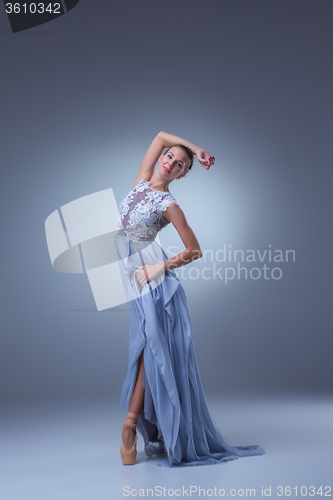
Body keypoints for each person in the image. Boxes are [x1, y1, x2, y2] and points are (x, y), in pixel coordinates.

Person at [115, 131, 265, 467]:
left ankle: (129, 425)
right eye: (170, 157)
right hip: (131, 276)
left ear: (182, 175)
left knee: (147, 351)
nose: (170, 164)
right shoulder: (141, 180)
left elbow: (195, 250)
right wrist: (196, 150)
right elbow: (159, 135)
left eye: (179, 165)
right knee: (145, 350)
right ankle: (143, 424)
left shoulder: (169, 205)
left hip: (153, 280)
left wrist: (160, 267)